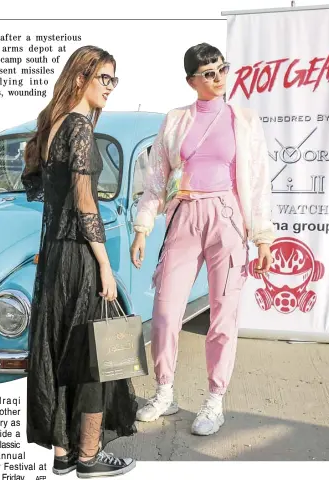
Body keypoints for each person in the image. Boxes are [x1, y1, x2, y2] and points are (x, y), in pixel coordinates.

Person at [130, 43, 276, 436]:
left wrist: (262, 237)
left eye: (222, 69)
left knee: (223, 315)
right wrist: (143, 227)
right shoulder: (176, 120)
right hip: (183, 217)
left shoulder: (243, 120)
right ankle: (164, 391)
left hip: (227, 217)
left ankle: (215, 399)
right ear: (191, 80)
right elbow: (157, 179)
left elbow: (259, 181)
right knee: (163, 313)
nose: (218, 78)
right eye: (208, 72)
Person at [21, 45, 137, 477]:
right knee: (94, 355)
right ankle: (88, 456)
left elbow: (43, 191)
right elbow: (86, 202)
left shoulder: (49, 125)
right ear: (80, 77)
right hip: (78, 253)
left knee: (59, 351)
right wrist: (105, 264)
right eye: (103, 78)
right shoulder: (80, 128)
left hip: (53, 256)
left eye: (114, 80)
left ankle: (63, 454)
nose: (110, 87)